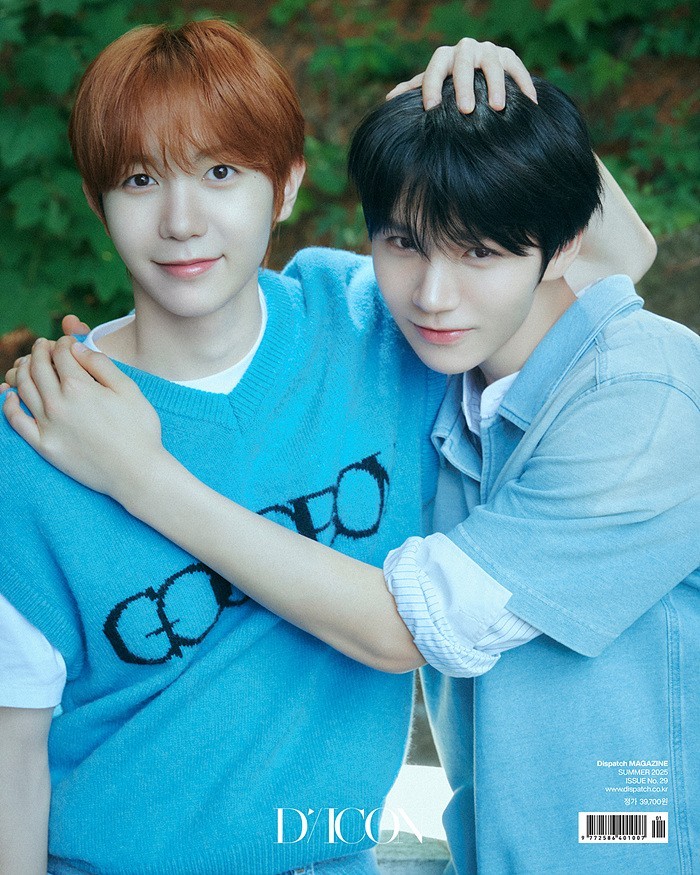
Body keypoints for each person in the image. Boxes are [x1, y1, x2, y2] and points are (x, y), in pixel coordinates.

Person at [1, 37, 666, 875]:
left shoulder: (378, 328)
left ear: (286, 184)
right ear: (98, 202)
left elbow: (608, 268)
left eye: (220, 172)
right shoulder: (46, 427)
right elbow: (12, 756)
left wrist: (486, 101)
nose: (181, 221)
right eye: (140, 180)